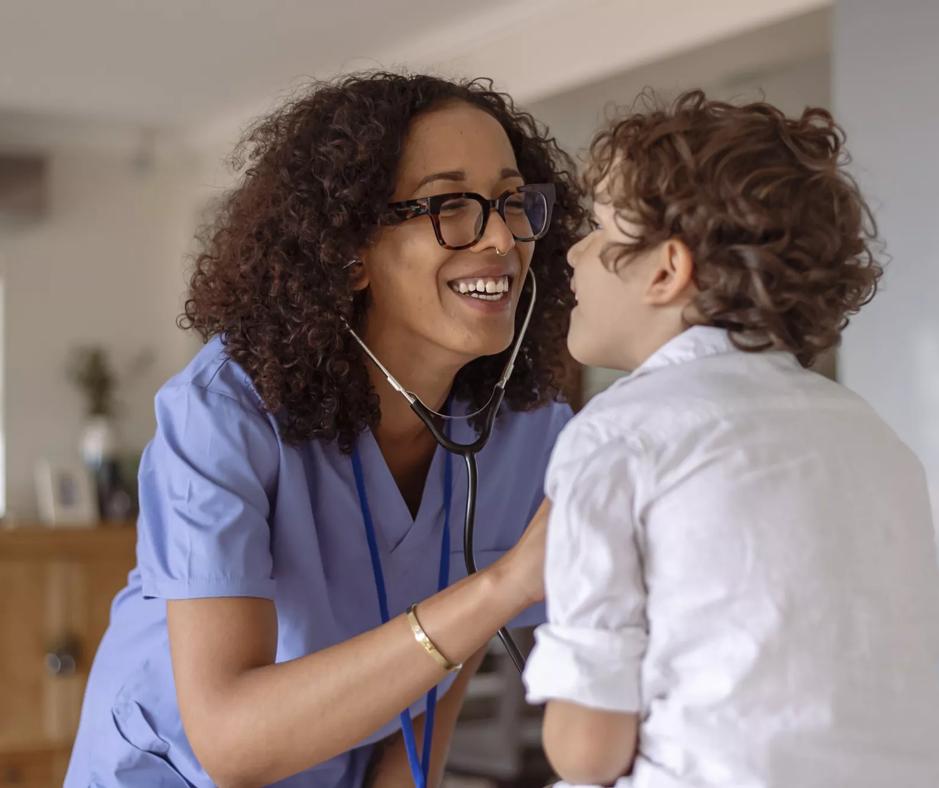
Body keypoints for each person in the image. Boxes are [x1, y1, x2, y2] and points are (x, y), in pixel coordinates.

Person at [66, 72, 584, 788]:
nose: (500, 237)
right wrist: (501, 588)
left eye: (509, 202)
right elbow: (229, 738)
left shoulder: (526, 430)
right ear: (350, 251)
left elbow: (444, 657)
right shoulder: (222, 414)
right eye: (450, 206)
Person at [523, 90, 939, 787]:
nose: (573, 252)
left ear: (665, 270)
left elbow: (587, 748)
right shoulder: (872, 435)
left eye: (596, 229)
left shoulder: (619, 431)